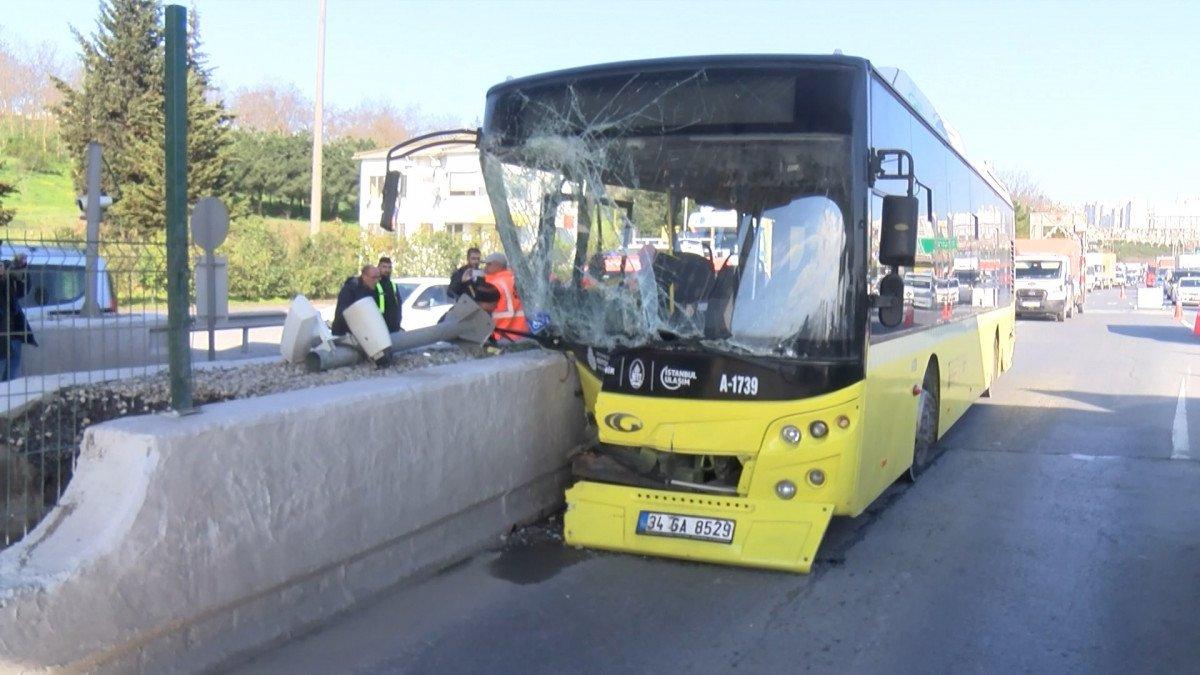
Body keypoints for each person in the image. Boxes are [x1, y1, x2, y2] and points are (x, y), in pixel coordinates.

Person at [0, 254, 35, 381]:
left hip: (13, 331)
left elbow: (22, 289)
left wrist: (21, 268)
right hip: (2, 333)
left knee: (12, 375)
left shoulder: (7, 266)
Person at [483, 252, 529, 341]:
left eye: (489, 264)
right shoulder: (517, 280)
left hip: (502, 336)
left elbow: (483, 308)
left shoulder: (495, 284)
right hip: (524, 336)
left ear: (499, 266)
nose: (485, 268)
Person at [331, 265, 380, 337]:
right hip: (344, 333)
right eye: (373, 278)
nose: (376, 281)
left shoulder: (371, 289)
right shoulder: (350, 289)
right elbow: (343, 313)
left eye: (378, 277)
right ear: (364, 276)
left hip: (361, 333)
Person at [374, 256, 402, 332]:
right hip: (379, 327)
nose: (387, 270)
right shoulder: (373, 285)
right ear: (378, 268)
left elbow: (398, 306)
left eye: (389, 267)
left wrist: (398, 321)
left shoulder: (393, 285)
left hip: (394, 327)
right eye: (384, 267)